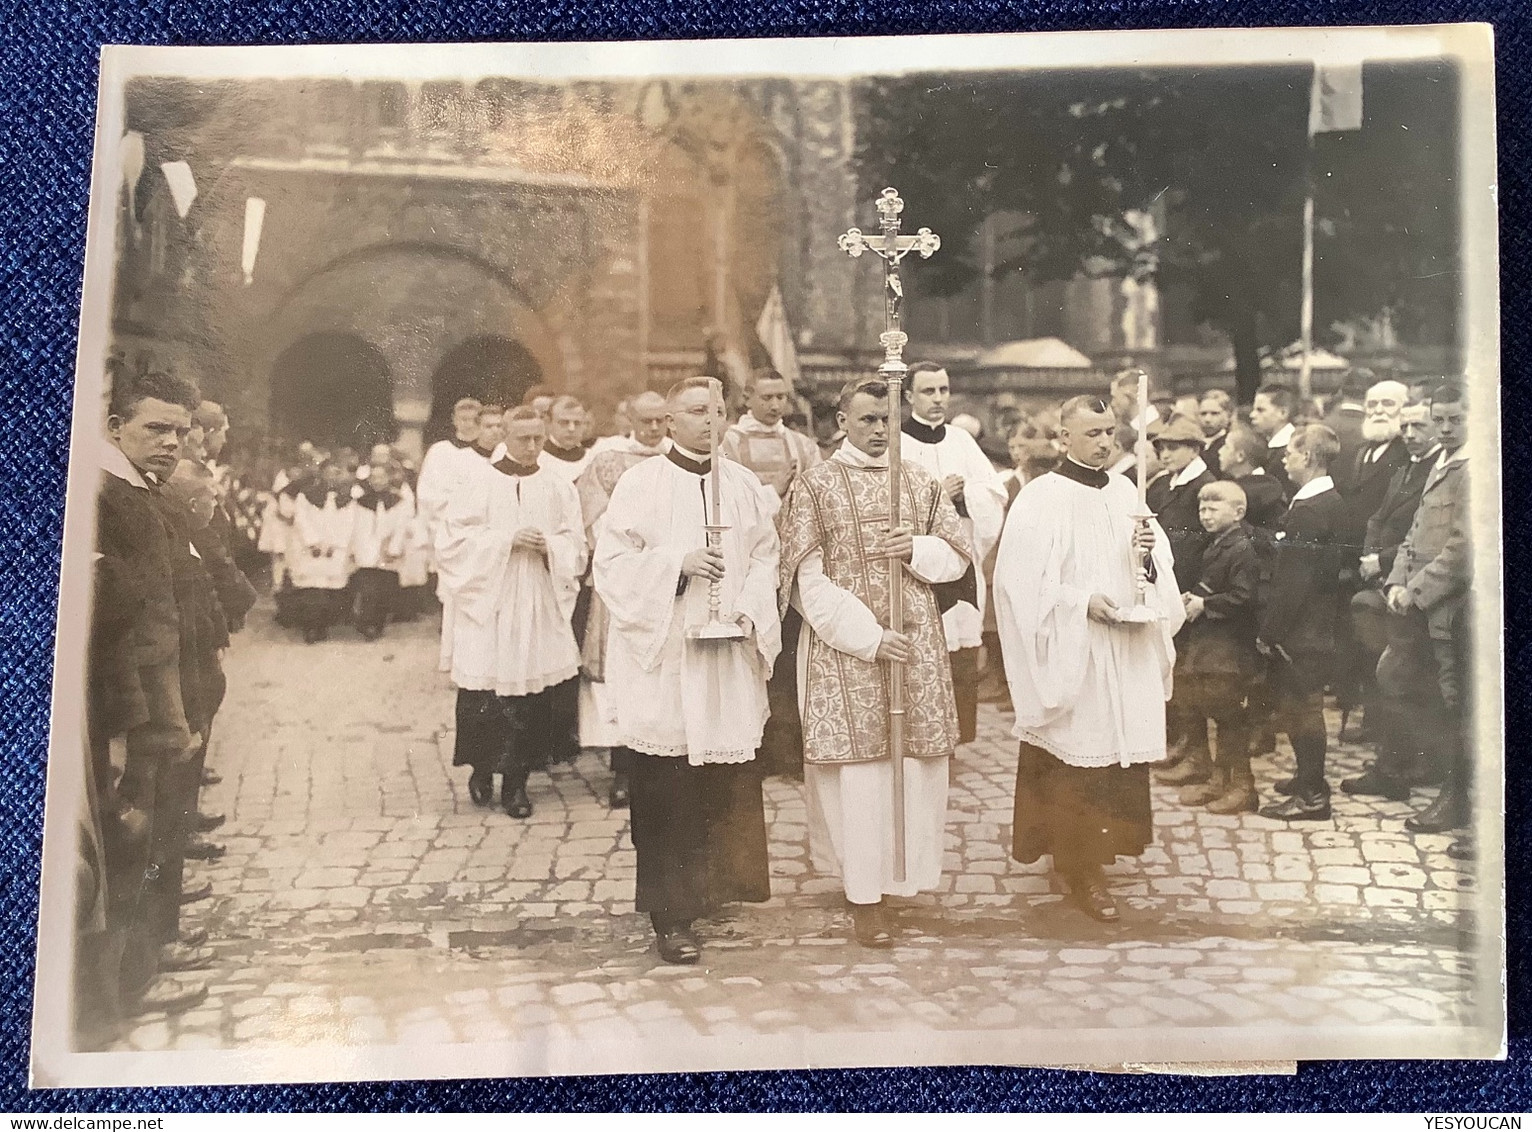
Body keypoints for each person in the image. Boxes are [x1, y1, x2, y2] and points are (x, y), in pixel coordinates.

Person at [778, 378, 973, 947]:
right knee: (860, 775)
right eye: (866, 420)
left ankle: (901, 878)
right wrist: (868, 637)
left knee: (910, 766)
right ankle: (864, 895)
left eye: (887, 419)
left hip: (915, 643)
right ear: (841, 422)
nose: (880, 430)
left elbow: (957, 558)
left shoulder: (917, 482)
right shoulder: (815, 485)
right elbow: (805, 582)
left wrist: (914, 548)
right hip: (847, 648)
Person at [593, 377, 780, 964]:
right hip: (668, 658)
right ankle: (670, 916)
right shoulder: (641, 483)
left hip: (725, 657)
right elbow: (614, 563)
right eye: (696, 411)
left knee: (719, 782)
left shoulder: (744, 484)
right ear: (669, 421)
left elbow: (765, 555)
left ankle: (713, 893)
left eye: (718, 411)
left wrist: (749, 608)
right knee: (668, 786)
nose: (710, 421)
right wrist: (679, 562)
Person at [993, 395, 1183, 923]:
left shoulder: (1128, 490)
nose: (1105, 441)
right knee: (1075, 754)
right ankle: (1078, 868)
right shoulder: (1041, 498)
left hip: (1123, 648)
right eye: (1093, 432)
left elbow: (1154, 573)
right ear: (1063, 439)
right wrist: (1080, 603)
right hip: (1075, 650)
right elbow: (1018, 583)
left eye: (1110, 431)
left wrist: (1147, 552)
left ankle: (1097, 854)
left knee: (1112, 754)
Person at [92, 370, 209, 1019]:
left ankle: (147, 960)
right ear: (115, 428)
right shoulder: (105, 497)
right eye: (155, 429)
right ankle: (131, 982)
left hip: (158, 694)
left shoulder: (143, 489)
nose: (171, 443)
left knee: (152, 831)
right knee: (129, 838)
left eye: (180, 433)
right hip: (127, 700)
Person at [437, 407, 587, 818]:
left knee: (530, 694)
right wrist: (505, 540)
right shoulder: (477, 481)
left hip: (536, 597)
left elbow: (576, 542)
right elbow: (452, 542)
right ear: (503, 434)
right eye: (523, 439)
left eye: (539, 438)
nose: (533, 447)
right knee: (486, 692)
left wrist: (551, 547)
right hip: (490, 601)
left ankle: (517, 783)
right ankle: (483, 768)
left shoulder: (557, 486)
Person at [1380, 384, 1472, 849]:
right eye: (1442, 419)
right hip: (1420, 603)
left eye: (1456, 419)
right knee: (1407, 684)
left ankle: (1459, 799)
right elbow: (1415, 535)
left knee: (1459, 703)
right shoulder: (1441, 463)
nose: (1447, 428)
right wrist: (1397, 580)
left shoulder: (1474, 469)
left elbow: (1462, 548)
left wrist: (1414, 591)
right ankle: (1432, 778)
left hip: (1451, 610)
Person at [898, 362, 1007, 746]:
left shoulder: (962, 441)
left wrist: (967, 498)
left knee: (960, 654)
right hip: (917, 567)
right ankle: (921, 735)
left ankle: (956, 739)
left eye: (943, 390)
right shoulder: (897, 443)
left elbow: (994, 494)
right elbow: (888, 505)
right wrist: (937, 495)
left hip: (961, 560)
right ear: (909, 395)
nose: (938, 399)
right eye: (929, 391)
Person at [574, 391, 672, 807]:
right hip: (622, 586)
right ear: (629, 418)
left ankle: (666, 766)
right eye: (645, 421)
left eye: (660, 421)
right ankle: (623, 770)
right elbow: (591, 520)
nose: (653, 429)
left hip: (670, 582)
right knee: (623, 673)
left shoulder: (679, 461)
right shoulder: (608, 463)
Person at [1342, 401, 1442, 800]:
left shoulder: (1438, 471)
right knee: (1385, 670)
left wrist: (1382, 561)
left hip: (1416, 586)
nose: (1410, 434)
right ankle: (1399, 760)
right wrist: (1372, 558)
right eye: (1405, 427)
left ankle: (1404, 766)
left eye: (1419, 425)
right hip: (1388, 578)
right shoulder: (1404, 469)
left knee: (1403, 674)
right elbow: (1378, 519)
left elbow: (1426, 537)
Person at [1256, 424, 1348, 821]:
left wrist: (1269, 632)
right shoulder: (1328, 500)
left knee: (1302, 708)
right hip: (1319, 620)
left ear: (1307, 457)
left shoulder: (1308, 511)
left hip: (1303, 628)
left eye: (1290, 453)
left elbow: (1294, 581)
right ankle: (1308, 778)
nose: (1284, 460)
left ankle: (1312, 796)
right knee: (1302, 705)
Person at [1168, 482, 1263, 812]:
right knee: (1216, 711)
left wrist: (1205, 604)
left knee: (1230, 719)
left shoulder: (1242, 549)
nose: (1204, 515)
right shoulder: (1219, 545)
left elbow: (1245, 597)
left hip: (1230, 648)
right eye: (1201, 509)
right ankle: (1220, 780)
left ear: (1238, 512)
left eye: (1212, 509)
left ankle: (1242, 786)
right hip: (1213, 646)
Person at [419, 404, 503, 669]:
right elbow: (438, 497)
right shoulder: (450, 454)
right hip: (462, 537)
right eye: (488, 426)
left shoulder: (502, 457)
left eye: (499, 426)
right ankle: (462, 661)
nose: (494, 432)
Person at [720, 367, 822, 503]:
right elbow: (727, 495)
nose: (775, 406)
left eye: (780, 397)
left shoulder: (803, 445)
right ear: (747, 399)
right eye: (767, 398)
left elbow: (817, 492)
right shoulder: (729, 442)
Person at [286, 460, 358, 643]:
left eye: (336, 473)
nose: (332, 478)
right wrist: (314, 543)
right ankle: (311, 628)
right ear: (321, 474)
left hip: (334, 549)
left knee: (329, 588)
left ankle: (324, 625)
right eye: (328, 473)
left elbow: (348, 523)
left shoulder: (347, 499)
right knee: (311, 589)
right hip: (311, 549)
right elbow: (301, 520)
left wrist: (334, 544)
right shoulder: (306, 496)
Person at [1145, 414, 1216, 592]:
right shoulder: (1166, 483)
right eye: (1161, 449)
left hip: (1190, 578)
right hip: (1169, 571)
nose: (1165, 455)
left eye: (1173, 448)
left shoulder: (1205, 486)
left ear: (1194, 451)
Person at [350, 463, 414, 640]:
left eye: (381, 477)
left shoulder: (398, 501)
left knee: (385, 590)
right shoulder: (362, 502)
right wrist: (356, 548)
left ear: (388, 479)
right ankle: (367, 623)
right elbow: (356, 527)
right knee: (368, 589)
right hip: (367, 550)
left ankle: (378, 623)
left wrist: (394, 547)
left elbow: (402, 525)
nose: (378, 481)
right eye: (374, 478)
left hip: (388, 551)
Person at [1214, 426, 1288, 532]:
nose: (1219, 451)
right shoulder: (1265, 485)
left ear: (1240, 456)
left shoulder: (1262, 492)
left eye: (1226, 446)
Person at [1249, 384, 1298, 499]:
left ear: (1283, 413)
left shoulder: (1289, 451)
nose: (1252, 415)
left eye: (1260, 410)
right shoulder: (1269, 447)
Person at [539, 394, 597, 482]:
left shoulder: (592, 459)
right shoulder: (538, 459)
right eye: (564, 422)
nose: (571, 429)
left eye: (577, 423)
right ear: (549, 423)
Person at [1197, 390, 1235, 477]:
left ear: (1228, 415)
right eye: (1203, 414)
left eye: (1214, 413)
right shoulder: (1196, 444)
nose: (1207, 419)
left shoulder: (1230, 444)